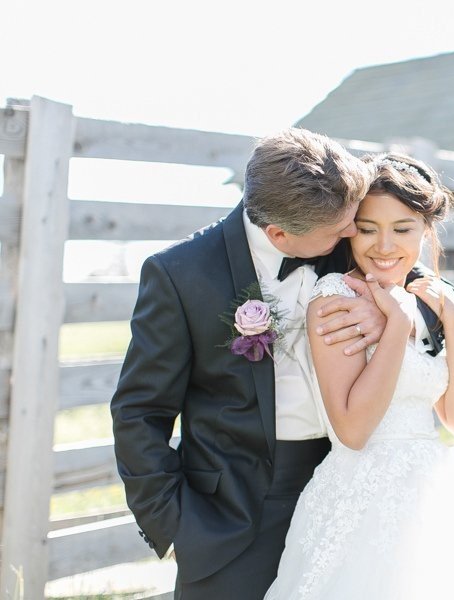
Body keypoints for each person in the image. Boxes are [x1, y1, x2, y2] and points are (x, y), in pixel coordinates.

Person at [111, 129, 396, 599]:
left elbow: (427, 281)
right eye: (339, 230)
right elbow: (139, 412)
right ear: (280, 235)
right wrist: (176, 526)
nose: (354, 234)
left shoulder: (345, 232)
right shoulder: (181, 275)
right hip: (231, 514)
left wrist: (400, 310)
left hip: (347, 491)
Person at [264, 153, 454, 599]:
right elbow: (352, 430)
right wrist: (395, 328)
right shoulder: (335, 300)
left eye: (402, 229)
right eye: (368, 229)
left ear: (427, 230)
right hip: (361, 499)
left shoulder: (427, 298)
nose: (384, 246)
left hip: (433, 493)